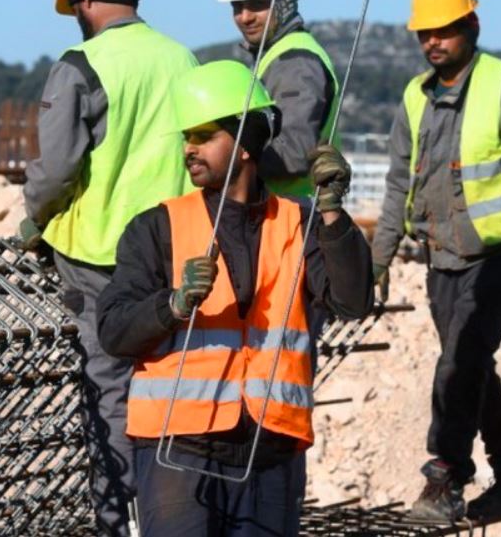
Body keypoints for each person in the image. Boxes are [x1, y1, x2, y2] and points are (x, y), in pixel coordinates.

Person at [97, 60, 373, 536]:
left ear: (245, 144)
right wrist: (174, 304)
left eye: (204, 135)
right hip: (178, 452)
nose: (189, 148)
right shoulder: (156, 227)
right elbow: (115, 330)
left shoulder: (300, 223)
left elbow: (352, 301)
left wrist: (333, 215)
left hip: (270, 453)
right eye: (187, 136)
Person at [20, 0, 198, 535]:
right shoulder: (182, 59)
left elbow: (56, 170)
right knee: (171, 391)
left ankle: (119, 523)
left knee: (111, 397)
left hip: (97, 260)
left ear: (83, 0)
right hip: (172, 258)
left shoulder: (81, 64)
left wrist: (32, 219)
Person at [372, 0, 501, 522]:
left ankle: (447, 476)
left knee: (461, 361)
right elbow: (395, 183)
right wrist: (379, 256)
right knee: (471, 366)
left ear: (471, 25)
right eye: (424, 33)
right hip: (443, 257)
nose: (433, 41)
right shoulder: (414, 97)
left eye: (445, 30)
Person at [217, 0, 340, 197]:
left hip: (291, 220)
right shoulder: (274, 57)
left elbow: (294, 153)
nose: (245, 17)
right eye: (237, 6)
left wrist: (224, 156)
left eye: (257, 4)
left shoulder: (295, 61)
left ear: (284, 1)